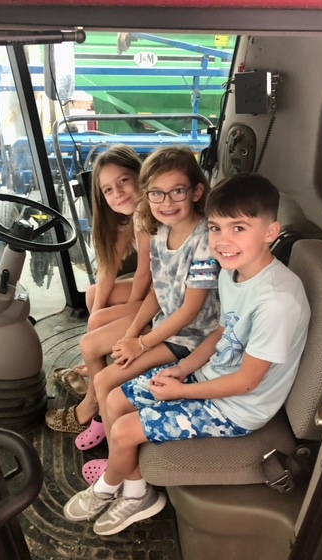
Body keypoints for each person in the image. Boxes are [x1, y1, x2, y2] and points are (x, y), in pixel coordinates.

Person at [62, 172, 311, 535]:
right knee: (114, 400)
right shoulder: (234, 272)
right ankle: (136, 492)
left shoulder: (277, 302)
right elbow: (222, 331)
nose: (223, 241)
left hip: (238, 408)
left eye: (238, 229)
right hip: (208, 376)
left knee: (126, 429)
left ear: (271, 232)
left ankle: (108, 488)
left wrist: (182, 391)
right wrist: (185, 369)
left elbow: (246, 381)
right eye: (215, 228)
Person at [47, 146, 220, 484]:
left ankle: (123, 473)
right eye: (158, 194)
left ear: (196, 192)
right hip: (166, 329)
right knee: (105, 377)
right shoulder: (161, 232)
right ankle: (122, 465)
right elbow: (159, 290)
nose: (166, 202)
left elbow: (190, 309)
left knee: (107, 380)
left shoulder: (203, 241)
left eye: (177, 192)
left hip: (191, 339)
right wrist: (133, 333)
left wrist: (140, 343)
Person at [52, 145, 151, 391]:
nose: (118, 193)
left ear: (140, 176)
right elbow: (107, 270)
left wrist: (128, 313)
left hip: (161, 296)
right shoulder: (131, 218)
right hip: (154, 290)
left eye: (124, 181)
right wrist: (94, 319)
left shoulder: (148, 214)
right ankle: (98, 360)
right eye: (108, 190)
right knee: (94, 293)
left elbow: (144, 273)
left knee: (98, 321)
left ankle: (100, 385)